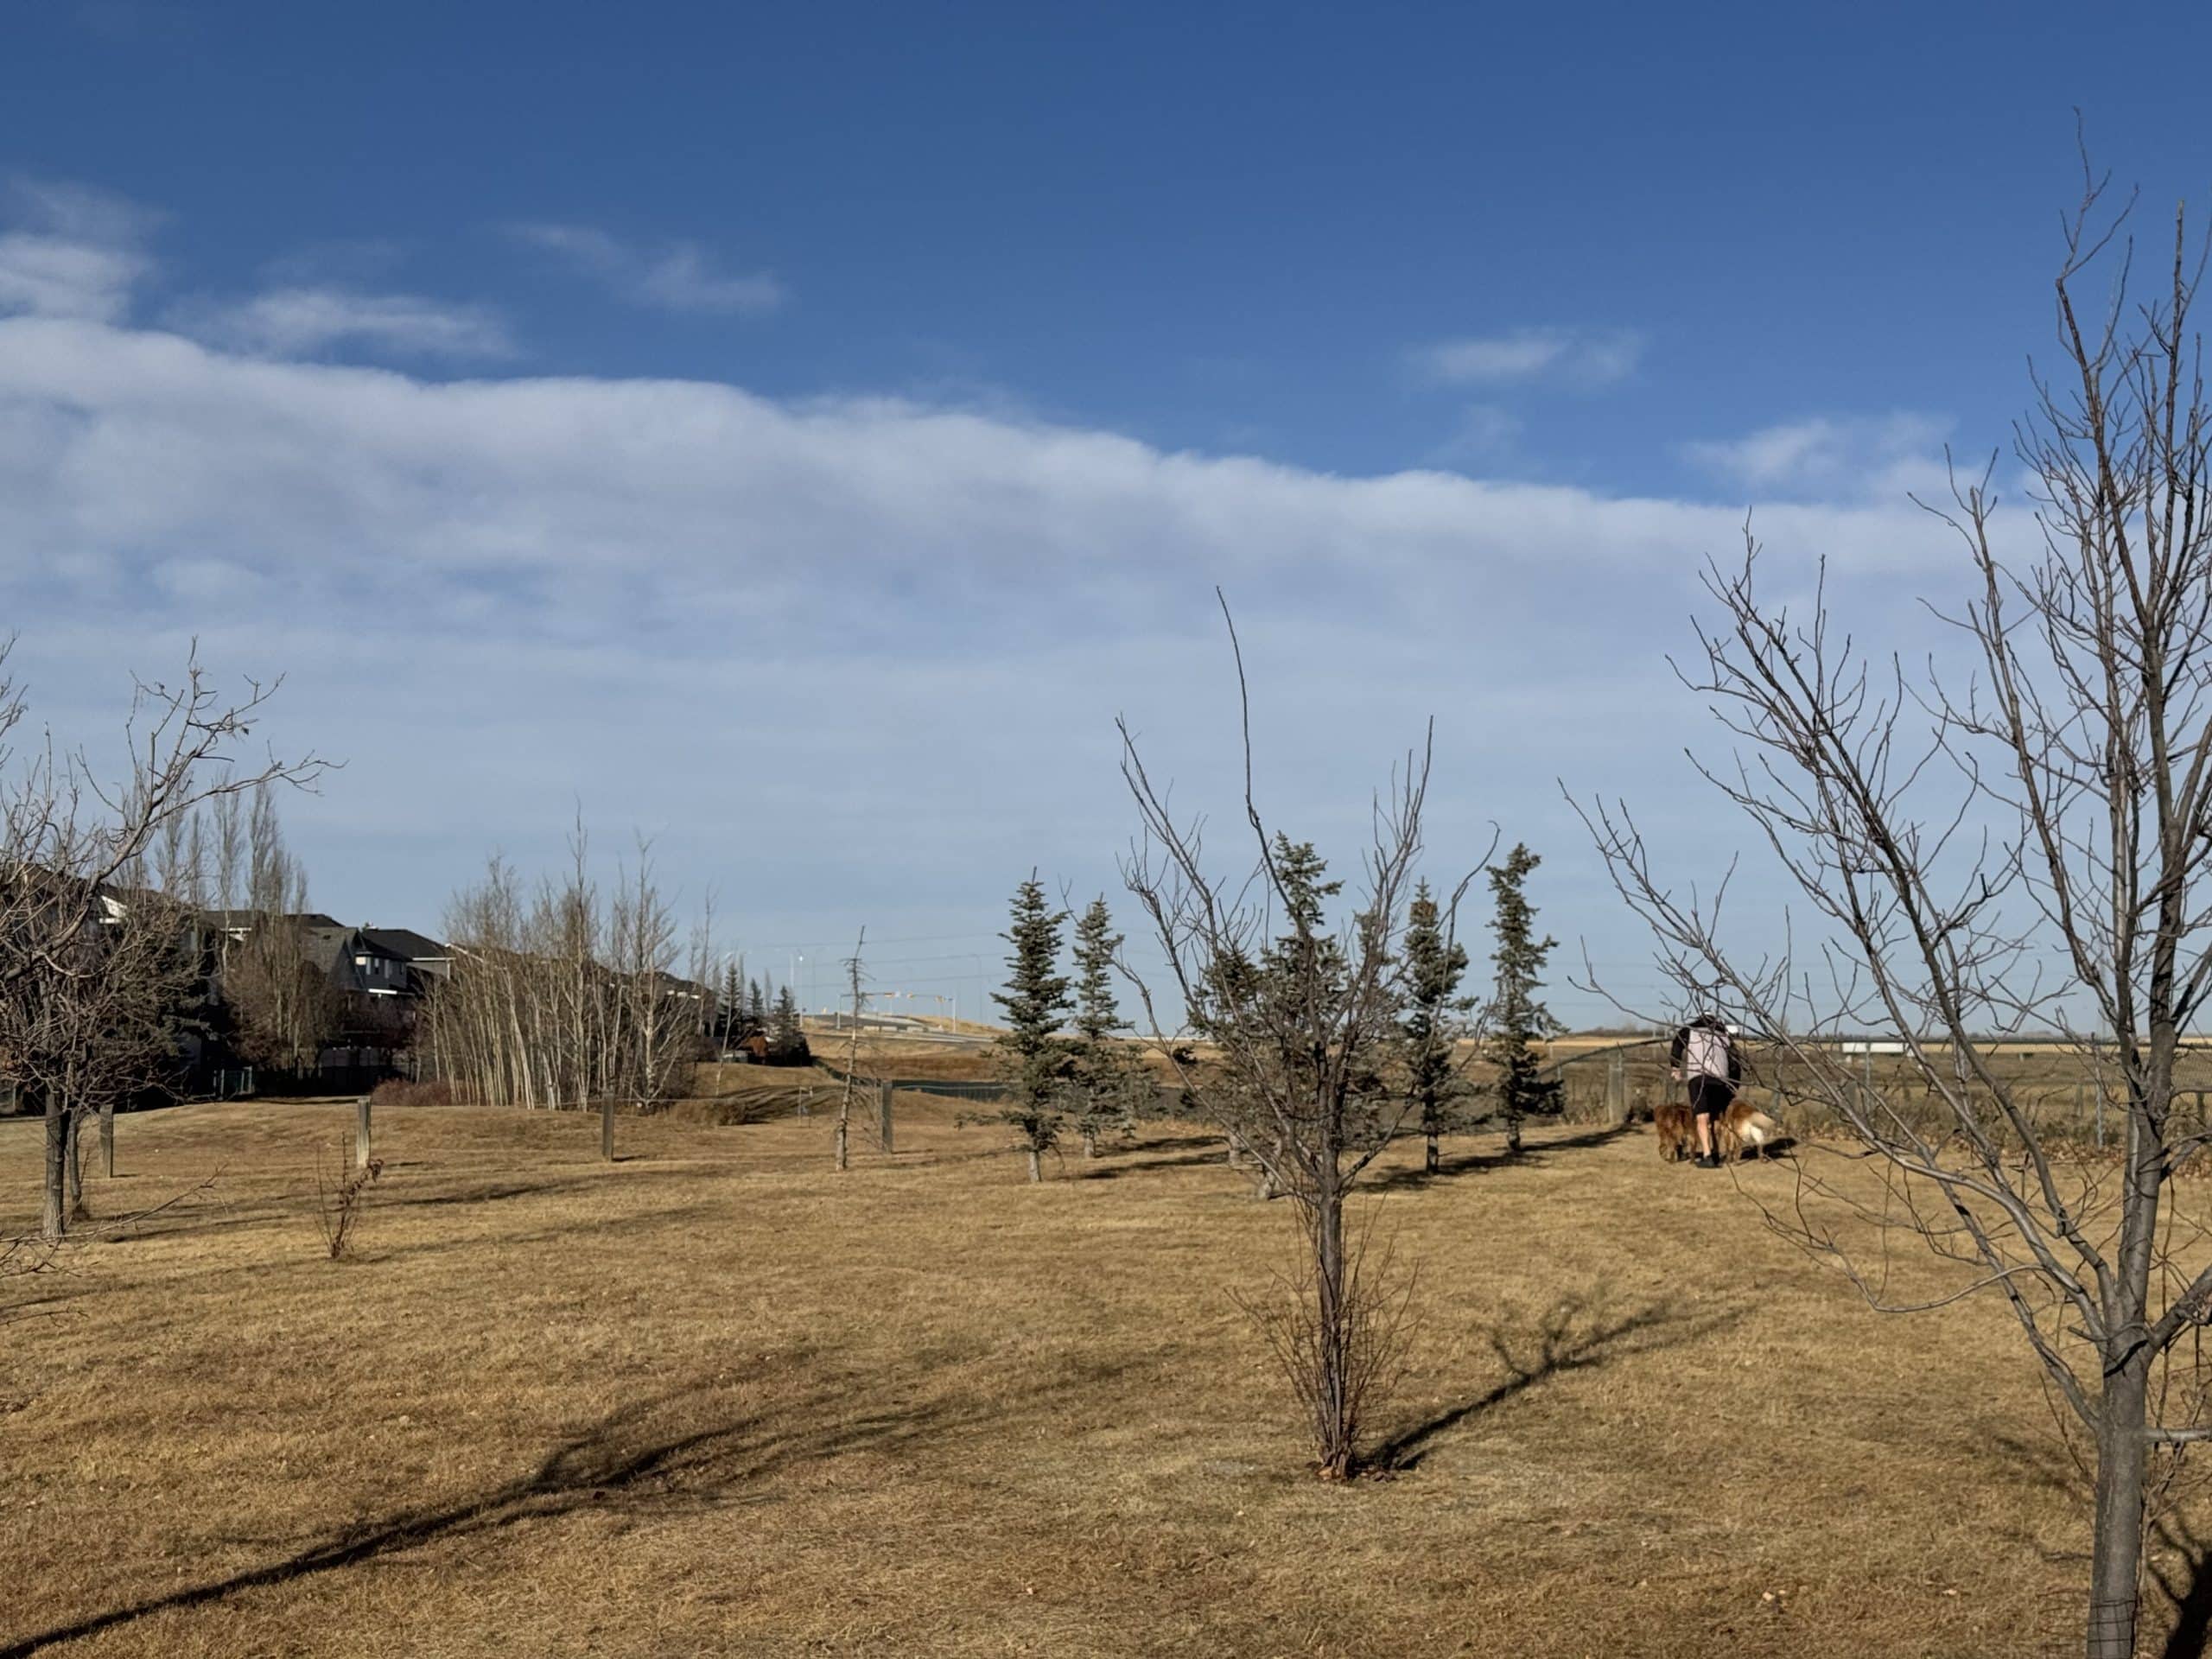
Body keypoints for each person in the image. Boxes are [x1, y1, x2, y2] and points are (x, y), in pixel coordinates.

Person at [1669, 1013, 1740, 1169]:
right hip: (1721, 1078)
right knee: (1715, 1117)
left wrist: (1675, 1067)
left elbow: (1677, 1044)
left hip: (1699, 1077)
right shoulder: (1724, 1034)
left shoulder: (1690, 1030)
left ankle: (1707, 1156)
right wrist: (1735, 1084)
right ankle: (1715, 1151)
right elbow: (1735, 1059)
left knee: (1702, 1118)